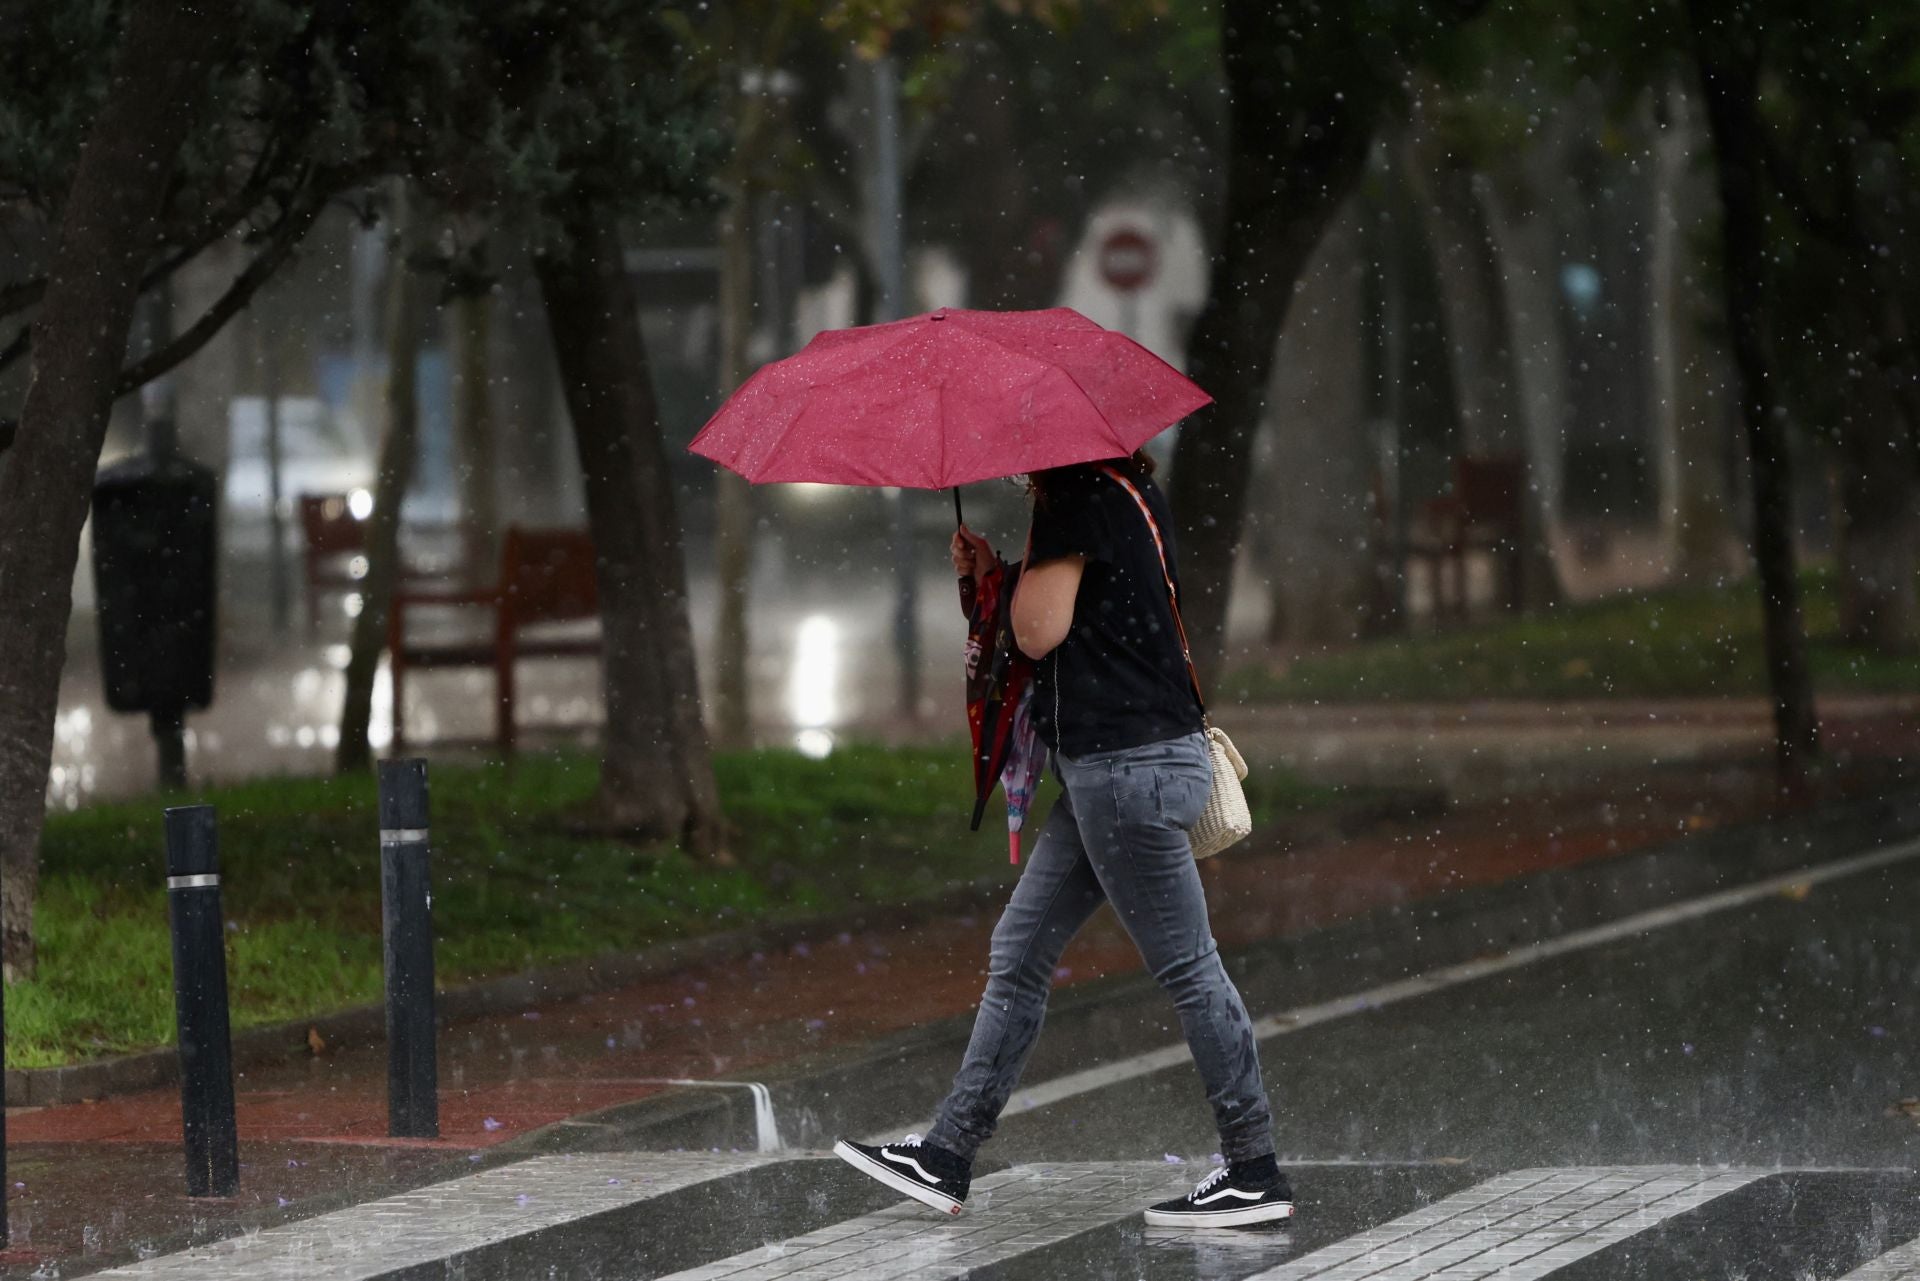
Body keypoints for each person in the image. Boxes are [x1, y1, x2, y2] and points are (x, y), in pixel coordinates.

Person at [834, 449, 1291, 1228]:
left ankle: (1254, 1168)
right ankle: (948, 1152)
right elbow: (1091, 610)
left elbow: (1041, 631)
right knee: (1020, 950)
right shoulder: (1126, 488)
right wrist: (998, 568)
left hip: (1125, 771)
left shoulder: (1073, 498)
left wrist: (1006, 584)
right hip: (1120, 766)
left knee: (1188, 964)